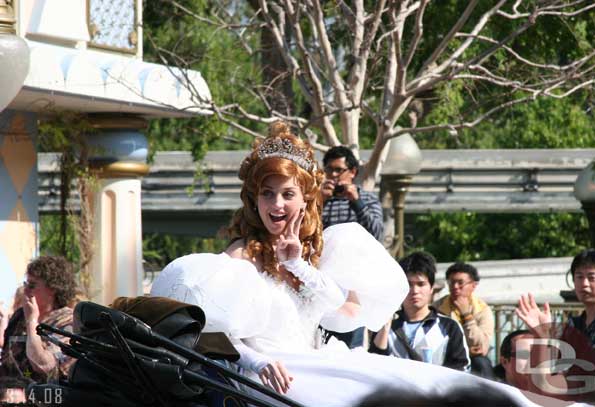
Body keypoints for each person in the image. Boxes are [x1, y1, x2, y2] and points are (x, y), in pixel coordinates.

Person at [151, 122, 551, 407]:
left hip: (322, 360)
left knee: (427, 384)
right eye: (266, 194)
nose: (276, 205)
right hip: (274, 377)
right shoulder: (241, 255)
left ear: (305, 199)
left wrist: (300, 266)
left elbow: (346, 313)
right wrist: (258, 361)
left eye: (287, 193)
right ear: (253, 199)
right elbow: (209, 330)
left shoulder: (317, 250)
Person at [516, 249, 595, 402]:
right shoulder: (571, 328)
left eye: (591, 277)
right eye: (579, 277)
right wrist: (541, 336)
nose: (584, 283)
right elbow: (541, 389)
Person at [320, 146, 384, 348]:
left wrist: (356, 202)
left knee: (351, 339)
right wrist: (319, 201)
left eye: (339, 170)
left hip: (354, 282)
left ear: (353, 172)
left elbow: (377, 234)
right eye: (329, 170)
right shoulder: (318, 199)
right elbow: (304, 233)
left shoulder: (367, 198)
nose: (333, 175)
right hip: (323, 280)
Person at [370, 251, 470, 371]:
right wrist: (384, 330)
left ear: (431, 288)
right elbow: (374, 367)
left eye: (421, 284)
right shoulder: (386, 324)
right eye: (409, 284)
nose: (415, 290)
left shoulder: (449, 327)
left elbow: (461, 369)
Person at [0, 256, 77, 397]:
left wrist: (32, 321)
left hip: (44, 399)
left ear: (53, 288)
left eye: (32, 285)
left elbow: (44, 365)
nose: (26, 291)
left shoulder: (68, 323)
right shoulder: (19, 317)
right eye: (25, 284)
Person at [434, 262, 494, 378]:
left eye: (460, 283)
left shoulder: (482, 310)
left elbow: (480, 345)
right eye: (451, 282)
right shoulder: (437, 307)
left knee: (482, 363)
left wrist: (467, 316)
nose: (455, 287)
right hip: (445, 355)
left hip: (472, 359)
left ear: (473, 285)